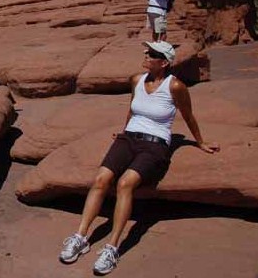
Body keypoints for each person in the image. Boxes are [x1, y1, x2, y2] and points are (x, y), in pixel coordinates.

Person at [59, 41, 220, 275]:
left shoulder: (175, 86)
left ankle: (112, 247)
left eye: (152, 54)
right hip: (129, 138)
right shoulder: (137, 80)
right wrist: (124, 133)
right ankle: (80, 237)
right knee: (101, 180)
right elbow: (132, 109)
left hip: (155, 145)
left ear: (164, 62)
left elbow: (188, 116)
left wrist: (200, 142)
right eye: (147, 51)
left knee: (125, 184)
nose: (146, 54)